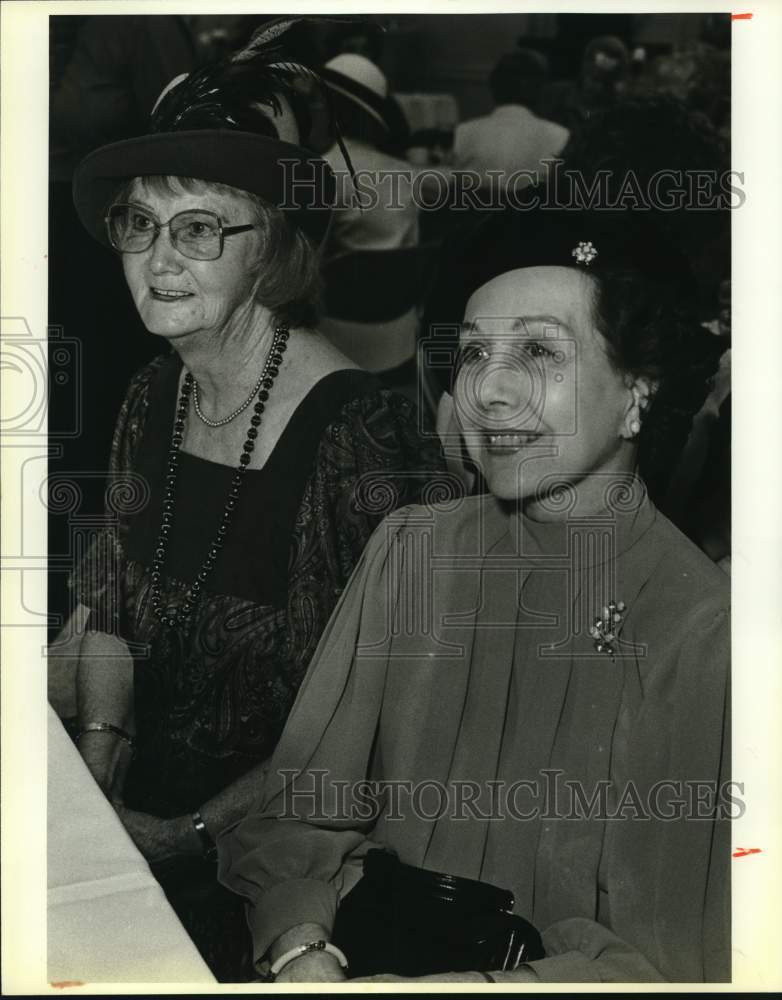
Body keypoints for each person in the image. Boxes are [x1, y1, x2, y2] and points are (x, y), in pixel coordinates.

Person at [217, 197, 730, 983]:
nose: (491, 391)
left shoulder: (703, 633)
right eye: (475, 353)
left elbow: (671, 964)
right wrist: (301, 947)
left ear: (638, 389)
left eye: (539, 353)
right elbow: (296, 816)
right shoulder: (413, 552)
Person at [63, 22, 448, 982]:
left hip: (293, 868)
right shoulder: (155, 390)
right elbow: (110, 602)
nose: (158, 260)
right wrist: (106, 749)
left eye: (198, 229)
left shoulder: (367, 438)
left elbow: (396, 718)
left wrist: (185, 835)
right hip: (135, 808)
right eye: (139, 225)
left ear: (269, 248)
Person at [319, 53, 420, 257]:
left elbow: (312, 259)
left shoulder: (326, 171)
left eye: (319, 102)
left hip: (348, 285)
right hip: (409, 286)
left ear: (334, 110)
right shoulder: (405, 171)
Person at [452, 49, 569, 194]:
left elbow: (453, 189)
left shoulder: (465, 131)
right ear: (540, 90)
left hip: (473, 214)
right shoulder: (560, 135)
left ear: (493, 87)